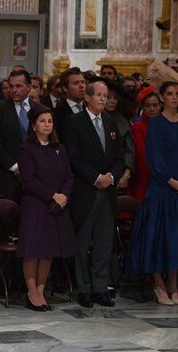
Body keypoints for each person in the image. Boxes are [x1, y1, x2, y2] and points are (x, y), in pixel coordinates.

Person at [62, 81, 125, 308]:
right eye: (98, 95)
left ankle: (100, 287)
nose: (103, 99)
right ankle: (84, 288)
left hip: (107, 191)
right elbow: (73, 157)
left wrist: (111, 177)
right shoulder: (74, 122)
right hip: (86, 189)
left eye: (105, 95)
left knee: (104, 241)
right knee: (82, 241)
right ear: (87, 98)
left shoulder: (110, 121)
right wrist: (96, 177)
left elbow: (119, 157)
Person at [17, 106, 76, 311]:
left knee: (47, 252)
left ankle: (41, 291)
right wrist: (53, 195)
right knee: (33, 251)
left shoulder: (59, 148)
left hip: (57, 206)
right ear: (34, 125)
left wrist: (64, 195)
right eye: (42, 121)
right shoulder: (26, 149)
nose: (47, 125)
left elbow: (69, 176)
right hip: (36, 204)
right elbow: (29, 179)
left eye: (50, 121)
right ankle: (31, 292)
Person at [127, 81, 178, 305]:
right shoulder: (156, 123)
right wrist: (172, 181)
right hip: (161, 189)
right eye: (170, 94)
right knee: (158, 238)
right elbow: (153, 158)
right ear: (162, 97)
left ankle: (174, 284)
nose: (175, 97)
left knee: (175, 241)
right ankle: (158, 284)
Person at [0, 69, 40, 201]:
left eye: (18, 86)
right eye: (11, 86)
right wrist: (16, 167)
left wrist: (31, 168)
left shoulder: (39, 109)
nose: (13, 90)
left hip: (35, 175)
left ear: (29, 87)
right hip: (7, 175)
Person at [128, 87, 162, 201]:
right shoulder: (137, 128)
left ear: (160, 106)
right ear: (142, 107)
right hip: (145, 177)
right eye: (148, 105)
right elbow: (142, 154)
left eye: (155, 105)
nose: (152, 109)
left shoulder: (165, 124)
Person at [54, 67, 86, 139]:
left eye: (83, 82)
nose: (81, 86)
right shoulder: (57, 113)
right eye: (76, 83)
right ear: (65, 88)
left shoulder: (90, 109)